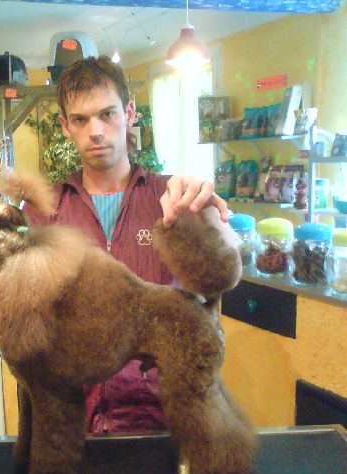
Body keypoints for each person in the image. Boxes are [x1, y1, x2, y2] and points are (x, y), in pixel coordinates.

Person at [22, 55, 230, 436]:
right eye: (81, 120)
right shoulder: (44, 212)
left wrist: (210, 219)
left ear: (129, 113)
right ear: (65, 126)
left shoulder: (171, 200)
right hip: (75, 426)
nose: (96, 132)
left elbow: (222, 274)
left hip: (160, 422)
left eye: (107, 114)